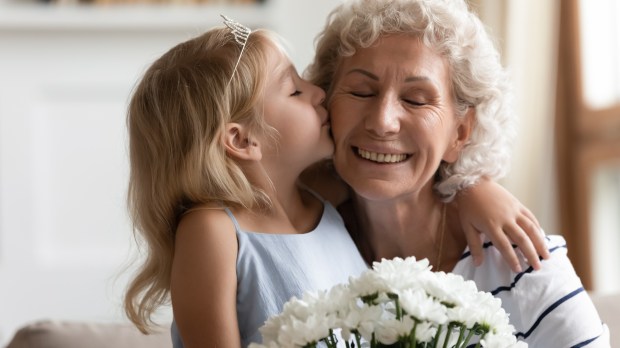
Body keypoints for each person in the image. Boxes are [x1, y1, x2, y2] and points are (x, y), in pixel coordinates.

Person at [123, 15, 549, 348]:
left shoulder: (327, 205)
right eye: (293, 90)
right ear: (242, 140)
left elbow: (402, 173)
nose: (318, 93)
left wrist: (476, 186)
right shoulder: (213, 230)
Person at [305, 0, 610, 346]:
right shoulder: (307, 245)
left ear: (460, 133)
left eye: (416, 100)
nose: (382, 121)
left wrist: (474, 185)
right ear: (326, 105)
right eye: (362, 92)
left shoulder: (525, 263)